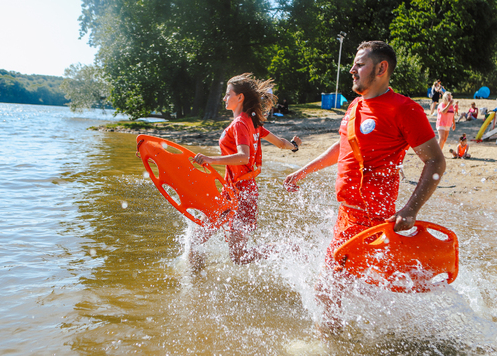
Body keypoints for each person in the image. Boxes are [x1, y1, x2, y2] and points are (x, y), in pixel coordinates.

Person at [283, 41, 446, 333]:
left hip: (370, 219)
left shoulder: (404, 109)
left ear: (381, 68)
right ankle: (387, 335)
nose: (352, 70)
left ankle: (329, 346)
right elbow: (343, 145)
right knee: (356, 288)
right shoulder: (356, 104)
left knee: (327, 291)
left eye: (359, 64)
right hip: (346, 215)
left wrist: (410, 209)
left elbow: (435, 161)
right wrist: (304, 170)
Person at [190, 73, 302, 266]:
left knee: (238, 257)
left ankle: (288, 247)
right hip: (231, 190)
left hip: (243, 193)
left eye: (227, 94)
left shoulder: (241, 123)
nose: (224, 98)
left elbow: (244, 156)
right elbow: (281, 143)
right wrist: (294, 145)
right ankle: (194, 282)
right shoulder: (253, 123)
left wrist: (209, 159)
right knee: (197, 237)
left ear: (240, 97)